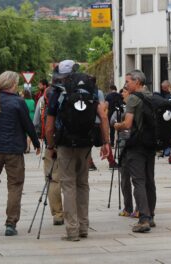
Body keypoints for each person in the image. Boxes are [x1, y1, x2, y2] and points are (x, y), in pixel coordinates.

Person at [45, 60, 110, 241]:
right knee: (83, 184)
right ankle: (84, 227)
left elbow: (49, 126)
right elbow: (103, 117)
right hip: (85, 143)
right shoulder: (92, 90)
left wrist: (51, 146)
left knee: (68, 184)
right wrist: (106, 142)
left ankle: (72, 230)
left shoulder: (56, 92)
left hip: (65, 144)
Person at [0, 71, 41, 236]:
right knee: (15, 185)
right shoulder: (18, 102)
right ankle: (10, 223)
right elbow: (28, 125)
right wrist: (36, 143)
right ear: (12, 85)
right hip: (14, 150)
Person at [114, 70, 156, 233]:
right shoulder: (151, 96)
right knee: (149, 180)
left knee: (138, 180)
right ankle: (151, 215)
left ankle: (143, 218)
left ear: (137, 82)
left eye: (128, 81)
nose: (126, 85)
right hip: (151, 144)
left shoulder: (133, 98)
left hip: (136, 144)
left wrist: (118, 125)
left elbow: (128, 124)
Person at [33, 82, 64, 226]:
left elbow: (37, 122)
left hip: (51, 144)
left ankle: (58, 214)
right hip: (72, 144)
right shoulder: (71, 94)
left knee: (53, 180)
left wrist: (48, 144)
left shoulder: (44, 98)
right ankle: (75, 214)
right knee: (72, 181)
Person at [111, 87, 138, 218]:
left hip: (127, 144)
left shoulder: (126, 108)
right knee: (130, 178)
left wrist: (119, 125)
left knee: (130, 178)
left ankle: (131, 208)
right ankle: (133, 208)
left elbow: (113, 122)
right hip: (130, 144)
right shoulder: (122, 107)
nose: (122, 94)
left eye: (125, 91)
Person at [23, 89, 35, 153]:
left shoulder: (23, 101)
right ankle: (28, 147)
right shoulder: (32, 101)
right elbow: (34, 108)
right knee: (29, 132)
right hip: (32, 115)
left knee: (24, 132)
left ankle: (26, 147)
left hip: (25, 115)